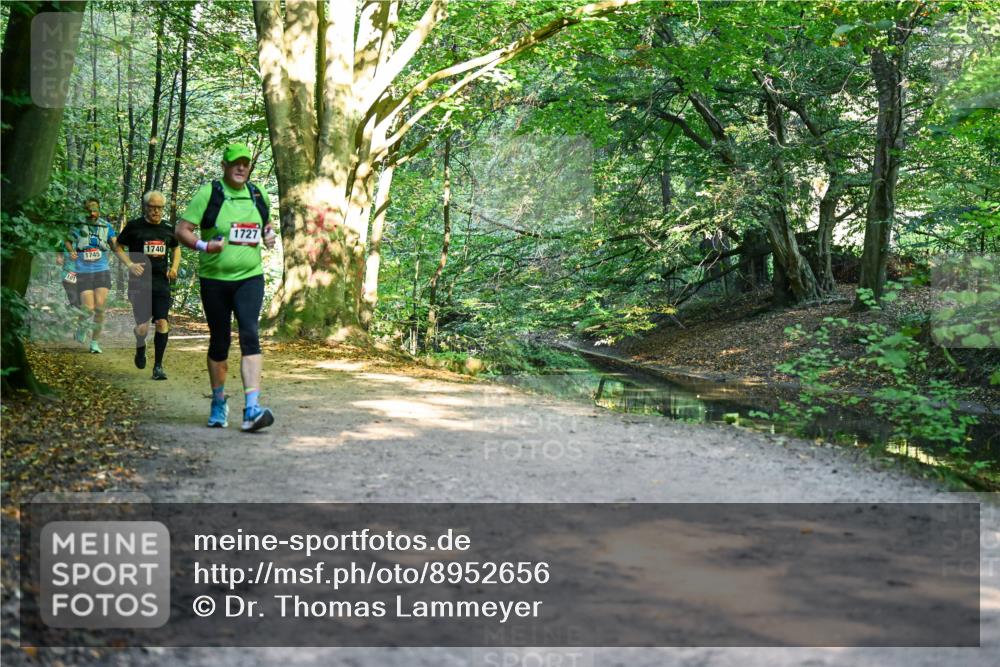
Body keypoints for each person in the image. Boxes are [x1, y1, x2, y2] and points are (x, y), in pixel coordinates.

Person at [175, 143, 277, 432]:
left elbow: (266, 225)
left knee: (250, 334)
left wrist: (269, 236)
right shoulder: (210, 194)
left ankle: (252, 409)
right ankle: (218, 402)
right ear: (224, 165)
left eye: (245, 163)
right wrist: (205, 246)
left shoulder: (258, 194)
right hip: (215, 281)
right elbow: (182, 229)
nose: (241, 167)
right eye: (236, 163)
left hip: (249, 277)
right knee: (220, 341)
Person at [114, 190, 180, 380]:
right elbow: (118, 246)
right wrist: (129, 264)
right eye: (152, 207)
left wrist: (174, 268)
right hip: (139, 284)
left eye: (160, 208)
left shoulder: (168, 227)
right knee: (142, 328)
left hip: (161, 283)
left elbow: (176, 248)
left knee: (162, 322)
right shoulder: (134, 226)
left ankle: (158, 366)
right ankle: (140, 348)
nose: (156, 211)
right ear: (145, 207)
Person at [65, 197, 118, 353]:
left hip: (102, 270)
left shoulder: (106, 226)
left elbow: (114, 244)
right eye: (88, 209)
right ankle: (82, 326)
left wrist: (120, 244)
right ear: (85, 210)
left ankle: (95, 343)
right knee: (88, 308)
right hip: (83, 271)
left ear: (99, 209)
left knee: (100, 309)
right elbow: (67, 241)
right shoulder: (79, 226)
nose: (92, 212)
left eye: (94, 208)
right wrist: (71, 251)